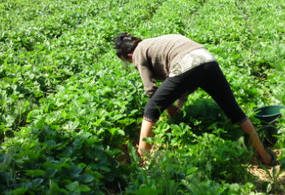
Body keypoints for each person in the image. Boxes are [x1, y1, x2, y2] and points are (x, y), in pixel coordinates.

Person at [114, 32, 276, 165]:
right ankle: (265, 157)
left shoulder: (139, 53)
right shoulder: (156, 42)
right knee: (234, 111)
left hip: (186, 63)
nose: (131, 63)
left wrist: (170, 108)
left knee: (151, 109)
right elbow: (186, 83)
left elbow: (151, 90)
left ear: (129, 54)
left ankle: (140, 161)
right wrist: (178, 106)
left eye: (128, 61)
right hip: (207, 59)